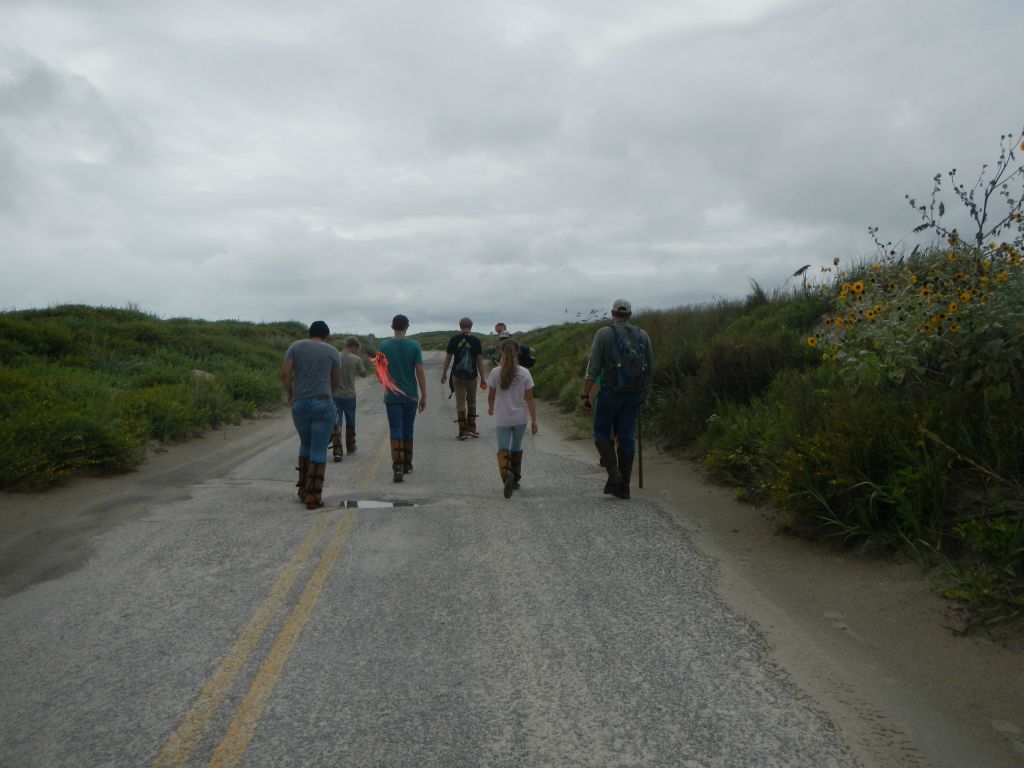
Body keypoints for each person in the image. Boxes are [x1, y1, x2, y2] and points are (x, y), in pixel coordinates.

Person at [580, 298, 654, 499]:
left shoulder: (604, 334)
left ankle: (614, 474)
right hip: (635, 394)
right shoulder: (643, 335)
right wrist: (640, 390)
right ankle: (625, 488)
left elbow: (593, 367)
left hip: (610, 392)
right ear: (629, 315)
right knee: (627, 436)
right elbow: (650, 368)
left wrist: (585, 395)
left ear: (613, 313)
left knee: (602, 433)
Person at [281, 320, 342, 509]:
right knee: (318, 448)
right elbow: (336, 381)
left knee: (305, 443)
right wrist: (328, 395)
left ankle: (303, 490)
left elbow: (285, 373)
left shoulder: (295, 346)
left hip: (299, 402)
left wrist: (290, 393)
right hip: (322, 401)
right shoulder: (332, 352)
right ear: (326, 335)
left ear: (310, 333)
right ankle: (314, 497)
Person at [378, 314, 427, 482]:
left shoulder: (383, 346)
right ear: (407, 327)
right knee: (408, 428)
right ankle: (407, 464)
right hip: (410, 395)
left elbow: (380, 374)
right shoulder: (415, 346)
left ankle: (397, 466)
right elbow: (419, 371)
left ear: (392, 326)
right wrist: (424, 395)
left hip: (392, 396)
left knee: (395, 429)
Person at [486, 340, 538, 498]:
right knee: (516, 447)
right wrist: (534, 420)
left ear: (501, 352)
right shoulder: (525, 372)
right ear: (518, 352)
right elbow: (529, 398)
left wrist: (490, 408)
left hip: (503, 418)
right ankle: (515, 479)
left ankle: (506, 474)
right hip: (519, 418)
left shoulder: (495, 372)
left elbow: (491, 395)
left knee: (503, 449)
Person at [440, 317, 486, 440]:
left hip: (457, 376)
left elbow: (448, 358)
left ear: (460, 326)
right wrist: (483, 378)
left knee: (460, 403)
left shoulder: (454, 340)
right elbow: (480, 361)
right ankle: (472, 428)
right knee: (472, 401)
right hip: (472, 376)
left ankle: (462, 431)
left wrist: (444, 373)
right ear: (471, 326)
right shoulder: (476, 341)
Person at [329, 336, 367, 462]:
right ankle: (350, 448)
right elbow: (363, 374)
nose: (357, 351)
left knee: (336, 423)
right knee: (350, 421)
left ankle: (337, 451)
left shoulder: (335, 356)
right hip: (350, 395)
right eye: (357, 349)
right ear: (354, 346)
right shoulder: (356, 359)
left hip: (335, 395)